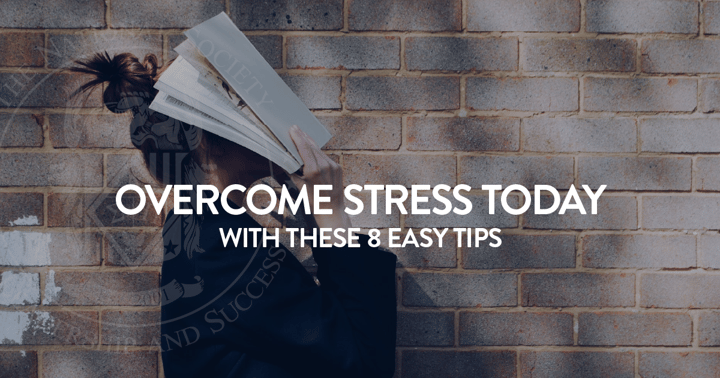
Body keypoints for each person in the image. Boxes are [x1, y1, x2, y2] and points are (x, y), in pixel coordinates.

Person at [70, 52, 397, 378]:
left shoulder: (205, 232)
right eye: (245, 109)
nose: (266, 121)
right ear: (213, 137)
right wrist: (331, 212)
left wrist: (312, 208)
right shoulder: (218, 247)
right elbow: (365, 363)